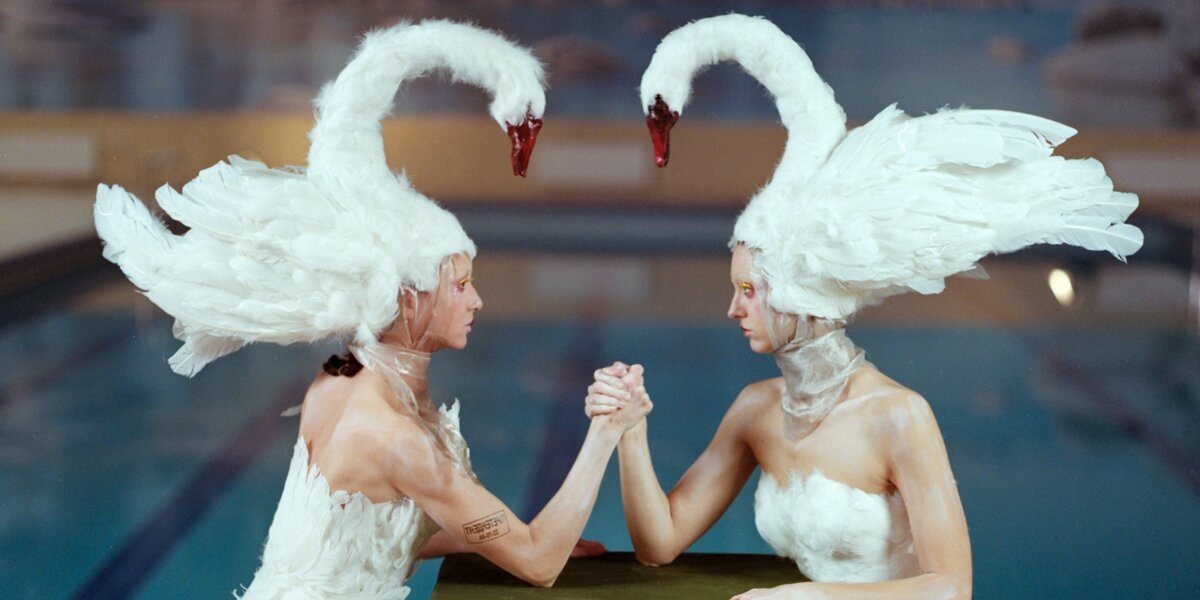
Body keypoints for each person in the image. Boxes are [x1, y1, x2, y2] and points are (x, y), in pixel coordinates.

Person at [586, 13, 1143, 599]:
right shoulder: (756, 409)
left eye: (748, 290)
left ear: (799, 290)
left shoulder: (898, 416)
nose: (733, 309)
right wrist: (630, 432)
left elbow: (952, 588)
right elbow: (659, 544)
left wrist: (806, 597)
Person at [94, 20, 648, 599]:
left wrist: (495, 537)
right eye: (461, 285)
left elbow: (367, 538)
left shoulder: (340, 382)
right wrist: (606, 430)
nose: (476, 300)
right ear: (409, 297)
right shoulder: (395, 435)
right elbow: (539, 564)